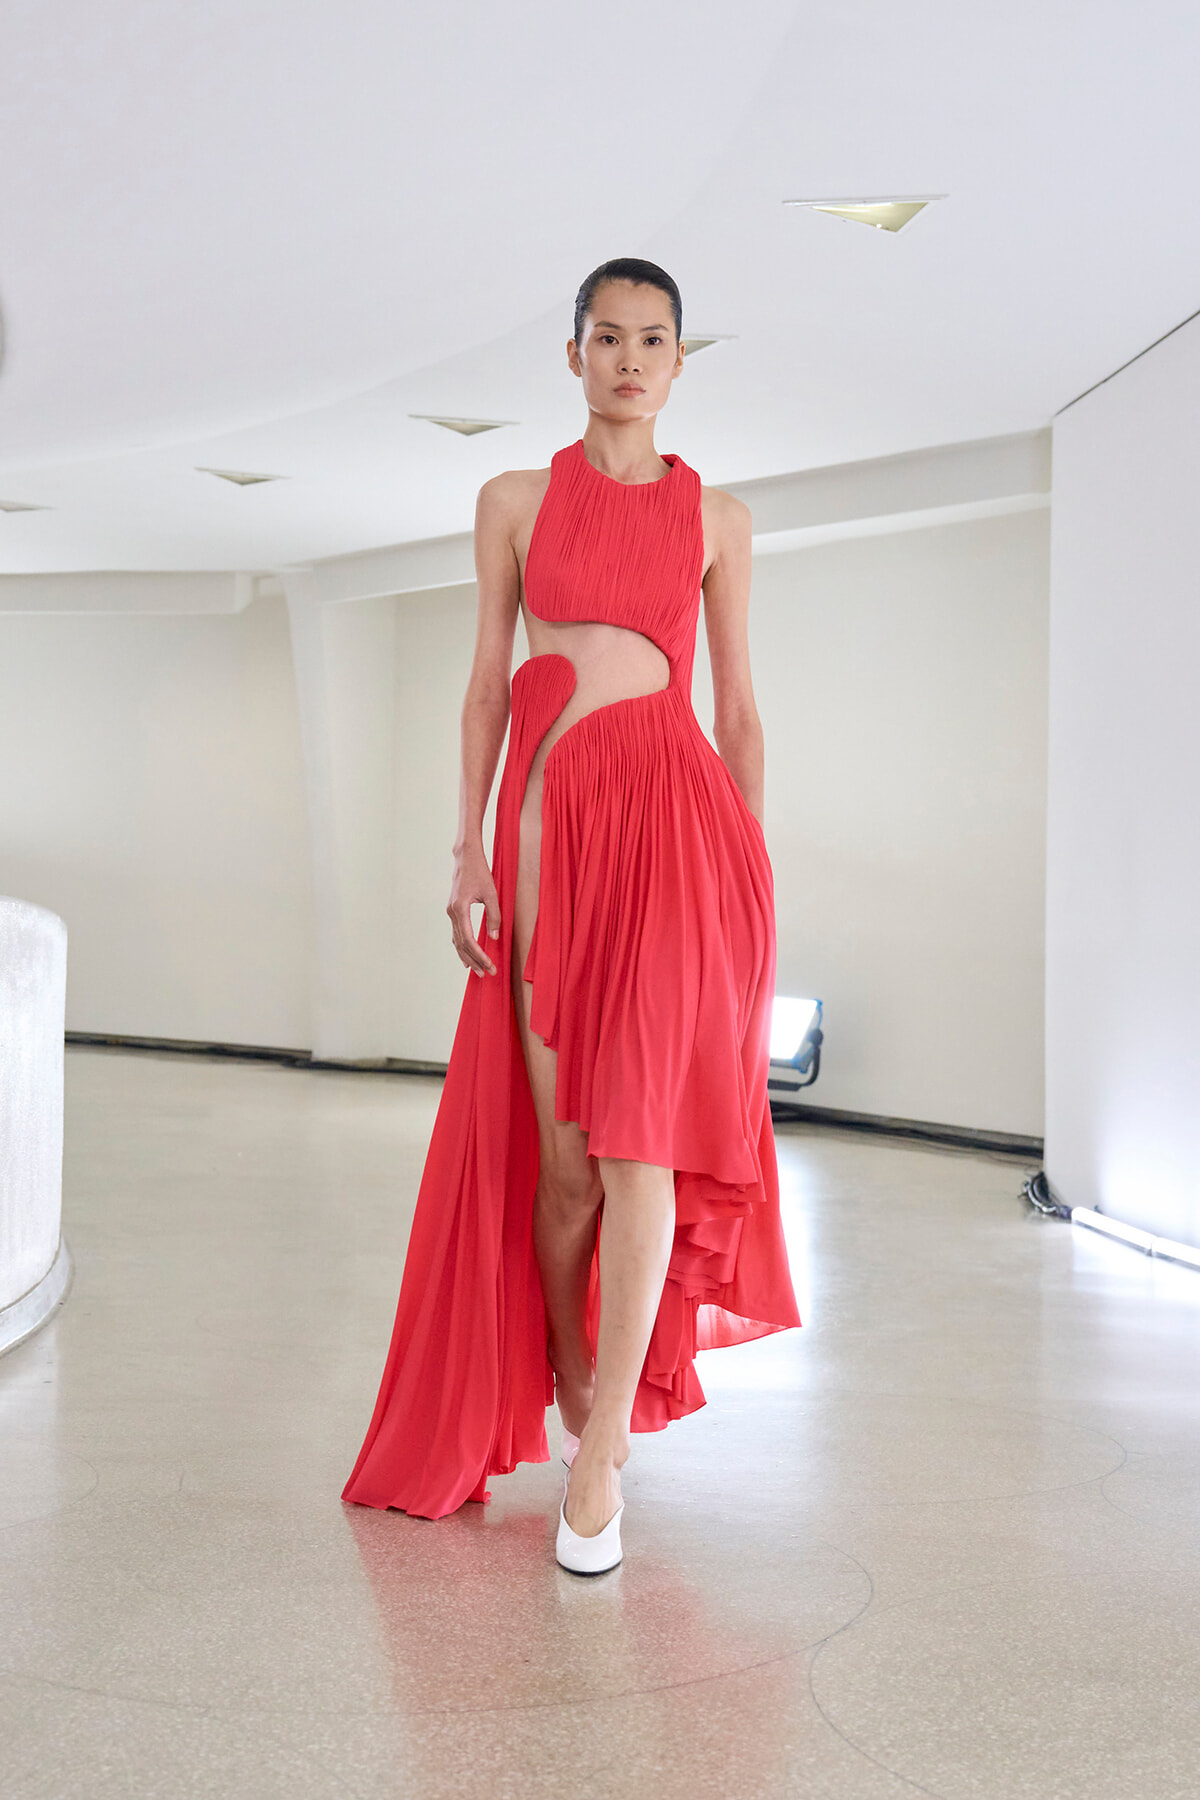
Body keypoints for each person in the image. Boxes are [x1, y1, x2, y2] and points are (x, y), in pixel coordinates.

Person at [341, 256, 801, 1573]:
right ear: (574, 354)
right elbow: (489, 685)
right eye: (608, 337)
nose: (630, 359)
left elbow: (738, 710)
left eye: (654, 339)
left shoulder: (720, 519)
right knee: (565, 1167)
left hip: (681, 834)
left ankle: (599, 1455)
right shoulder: (512, 500)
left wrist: (750, 886)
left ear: (679, 361)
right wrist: (467, 850)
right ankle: (566, 1366)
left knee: (641, 1143)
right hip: (547, 828)